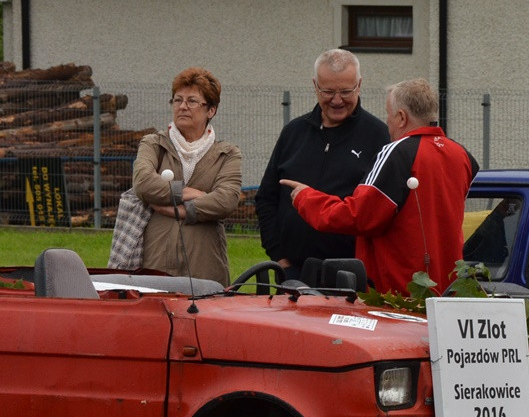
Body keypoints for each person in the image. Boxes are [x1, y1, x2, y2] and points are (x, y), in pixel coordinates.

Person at [279, 78, 479, 293]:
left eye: (389, 114)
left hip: (400, 290)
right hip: (446, 288)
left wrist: (306, 198)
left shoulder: (397, 152)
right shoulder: (463, 156)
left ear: (401, 117)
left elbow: (360, 216)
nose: (387, 122)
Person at [254, 49, 390, 281]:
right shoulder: (293, 133)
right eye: (328, 91)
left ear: (359, 85)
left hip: (352, 275)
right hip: (292, 272)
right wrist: (280, 259)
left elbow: (379, 212)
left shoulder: (379, 136)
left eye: (346, 91)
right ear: (315, 86)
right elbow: (266, 198)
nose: (337, 100)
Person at [130, 67, 242, 285]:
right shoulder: (154, 143)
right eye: (177, 100)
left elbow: (226, 200)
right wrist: (184, 192)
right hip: (156, 264)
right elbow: (143, 183)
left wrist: (183, 211)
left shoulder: (227, 153)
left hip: (205, 265)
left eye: (192, 101)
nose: (182, 106)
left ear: (211, 110)